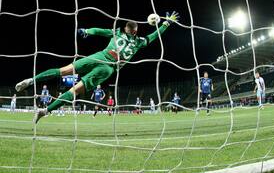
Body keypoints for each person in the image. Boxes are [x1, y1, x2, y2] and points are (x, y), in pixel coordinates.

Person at [15, 12, 179, 124]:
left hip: (99, 56)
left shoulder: (117, 33)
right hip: (108, 68)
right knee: (75, 91)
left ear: (126, 29)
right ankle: (45, 111)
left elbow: (100, 31)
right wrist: (165, 24)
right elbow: (153, 36)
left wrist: (86, 31)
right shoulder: (139, 42)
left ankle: (31, 80)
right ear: (135, 32)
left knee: (63, 70)